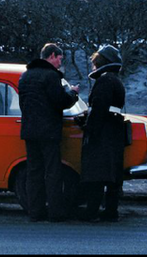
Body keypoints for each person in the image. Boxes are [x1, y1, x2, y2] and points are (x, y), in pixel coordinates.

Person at [17, 42, 80, 222]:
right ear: (52, 56)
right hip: (49, 131)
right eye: (59, 58)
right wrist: (72, 93)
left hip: (29, 130)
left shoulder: (25, 76)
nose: (60, 63)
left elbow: (24, 104)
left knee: (34, 171)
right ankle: (55, 212)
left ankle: (35, 212)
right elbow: (60, 101)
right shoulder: (51, 77)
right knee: (52, 171)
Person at [79, 44, 126, 222]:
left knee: (96, 175)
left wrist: (88, 128)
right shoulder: (115, 81)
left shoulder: (104, 81)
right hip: (114, 132)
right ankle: (111, 211)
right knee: (112, 176)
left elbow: (98, 109)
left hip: (102, 134)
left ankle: (92, 212)